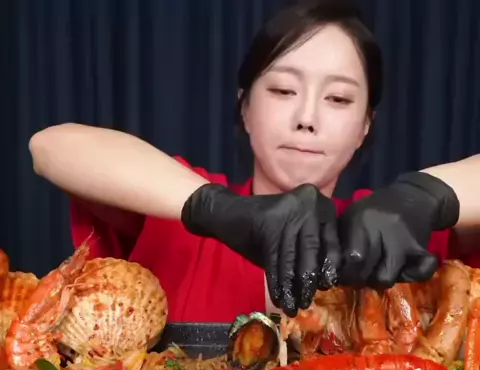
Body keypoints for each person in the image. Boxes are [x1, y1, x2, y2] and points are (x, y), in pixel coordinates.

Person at [29, 1, 480, 323]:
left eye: (339, 98)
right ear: (245, 107)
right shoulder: (174, 212)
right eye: (283, 90)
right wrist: (216, 209)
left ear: (365, 125)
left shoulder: (403, 237)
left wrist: (425, 197)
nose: (307, 118)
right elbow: (50, 146)